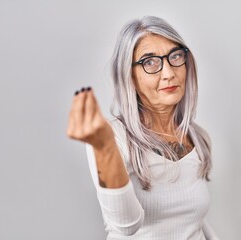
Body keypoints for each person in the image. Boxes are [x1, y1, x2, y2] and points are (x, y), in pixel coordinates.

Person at [67, 16, 220, 240]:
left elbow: (193, 223)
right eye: (150, 62)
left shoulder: (197, 137)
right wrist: (105, 146)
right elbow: (125, 225)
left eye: (175, 56)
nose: (168, 73)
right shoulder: (113, 137)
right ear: (129, 76)